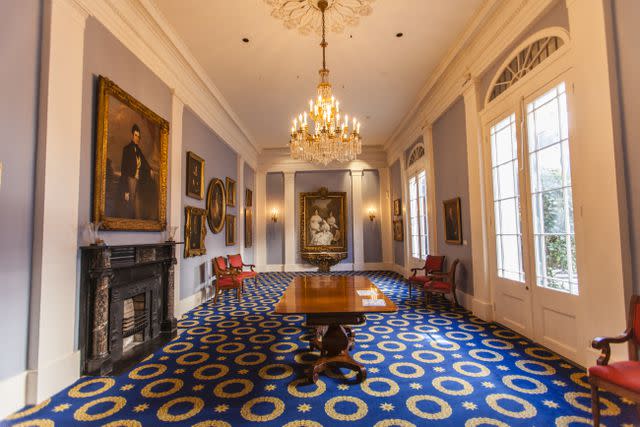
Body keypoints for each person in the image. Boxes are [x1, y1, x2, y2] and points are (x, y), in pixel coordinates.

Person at [119, 124, 151, 219]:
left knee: (137, 205)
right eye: (136, 135)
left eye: (139, 136)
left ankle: (137, 222)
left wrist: (150, 170)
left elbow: (144, 162)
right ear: (132, 135)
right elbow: (123, 170)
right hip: (130, 180)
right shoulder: (127, 149)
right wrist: (126, 190)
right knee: (131, 204)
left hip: (138, 180)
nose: (137, 138)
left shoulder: (139, 151)